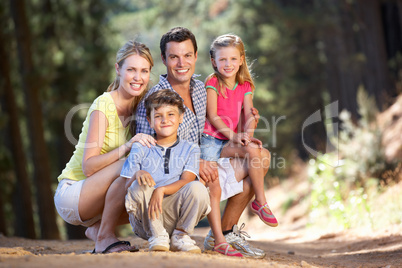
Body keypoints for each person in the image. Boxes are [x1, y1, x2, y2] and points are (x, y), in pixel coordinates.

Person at [135, 27, 271, 259]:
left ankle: (224, 234)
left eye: (187, 55)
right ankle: (211, 236)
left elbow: (216, 127)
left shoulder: (202, 88)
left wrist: (248, 122)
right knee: (215, 175)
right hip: (171, 191)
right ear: (164, 59)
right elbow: (147, 158)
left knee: (260, 157)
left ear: (196, 57)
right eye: (174, 57)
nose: (181, 63)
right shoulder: (153, 100)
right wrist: (193, 163)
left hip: (206, 163)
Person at [54, 41, 157, 254]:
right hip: (73, 193)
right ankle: (103, 238)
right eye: (131, 70)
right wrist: (128, 145)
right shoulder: (104, 105)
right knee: (129, 165)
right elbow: (88, 167)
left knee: (151, 185)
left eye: (144, 71)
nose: (138, 77)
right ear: (118, 70)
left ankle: (97, 229)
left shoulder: (141, 109)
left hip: (97, 201)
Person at [200, 34, 277, 257]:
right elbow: (213, 117)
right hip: (213, 141)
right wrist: (236, 137)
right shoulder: (212, 82)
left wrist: (248, 133)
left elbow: (249, 116)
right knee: (256, 155)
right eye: (222, 60)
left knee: (261, 154)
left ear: (242, 59)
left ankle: (255, 206)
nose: (228, 64)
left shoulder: (245, 85)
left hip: (232, 139)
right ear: (214, 61)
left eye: (233, 59)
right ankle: (260, 203)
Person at [123, 89, 210, 253]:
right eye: (158, 116)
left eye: (171, 114)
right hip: (146, 219)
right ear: (149, 121)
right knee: (139, 184)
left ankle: (180, 236)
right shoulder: (140, 146)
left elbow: (187, 180)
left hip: (177, 215)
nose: (165, 120)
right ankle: (158, 235)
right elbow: (127, 186)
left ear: (181, 117)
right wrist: (137, 174)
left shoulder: (190, 148)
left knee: (198, 187)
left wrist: (161, 190)